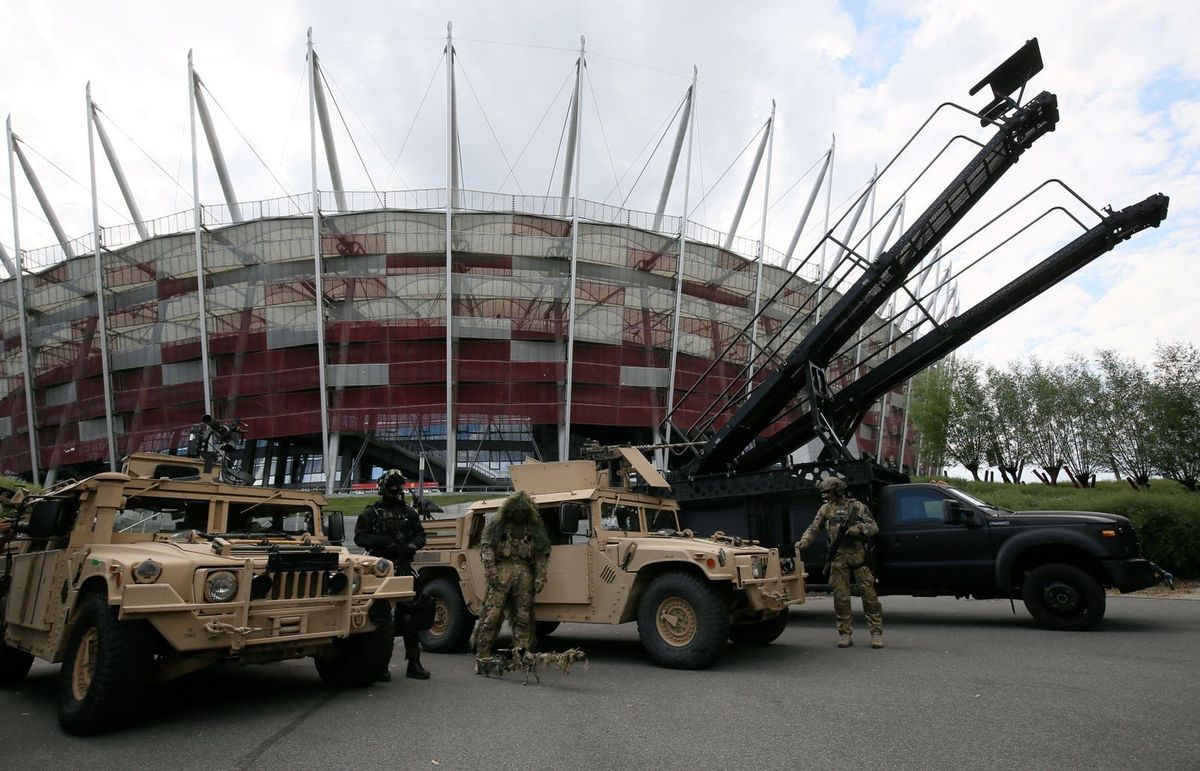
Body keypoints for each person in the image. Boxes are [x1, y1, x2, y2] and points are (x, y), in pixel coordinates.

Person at [354, 469, 431, 680]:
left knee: (410, 616)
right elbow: (360, 538)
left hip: (404, 566)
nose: (396, 489)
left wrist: (411, 546)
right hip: (380, 569)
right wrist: (385, 543)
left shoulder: (409, 512)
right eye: (392, 485)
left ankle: (413, 663)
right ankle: (380, 665)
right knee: (380, 617)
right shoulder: (372, 513)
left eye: (399, 485)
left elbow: (421, 535)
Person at [795, 476, 885, 649]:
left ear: (837, 490)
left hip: (859, 557)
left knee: (870, 597)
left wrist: (857, 529)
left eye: (828, 491)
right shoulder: (826, 509)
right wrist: (804, 542)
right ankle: (845, 634)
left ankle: (876, 633)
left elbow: (874, 527)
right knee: (841, 598)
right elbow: (814, 528)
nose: (825, 494)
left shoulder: (856, 506)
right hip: (838, 558)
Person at [471, 490, 550, 673]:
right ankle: (482, 656)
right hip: (502, 572)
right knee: (491, 615)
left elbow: (541, 554)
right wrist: (491, 571)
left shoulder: (533, 528)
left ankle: (521, 656)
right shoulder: (499, 526)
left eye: (523, 510)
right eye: (517, 510)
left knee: (523, 617)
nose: (520, 513)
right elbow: (487, 547)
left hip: (523, 574)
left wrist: (540, 577)